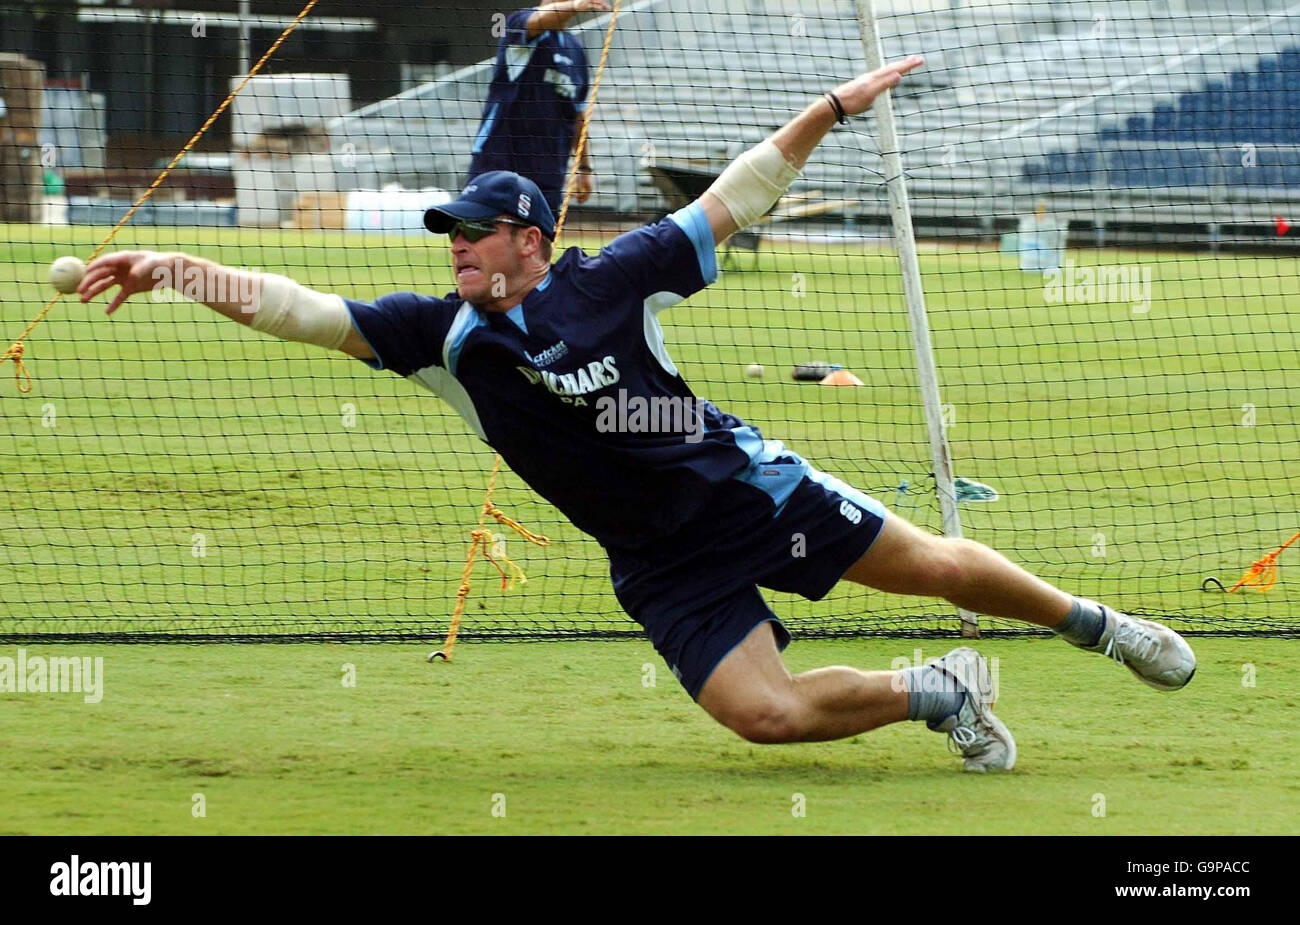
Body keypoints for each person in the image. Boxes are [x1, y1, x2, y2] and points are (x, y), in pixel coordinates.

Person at [78, 57, 1195, 772]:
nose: (455, 243)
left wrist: (831, 109)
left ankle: (1096, 624)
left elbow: (736, 196)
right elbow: (299, 310)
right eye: (447, 231)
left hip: (750, 495)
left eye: (474, 228)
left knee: (942, 569)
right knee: (764, 719)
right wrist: (179, 265)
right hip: (657, 563)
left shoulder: (611, 277)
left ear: (529, 238)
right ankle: (936, 692)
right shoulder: (442, 338)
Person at [467, 1, 609, 214]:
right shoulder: (519, 22)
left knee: (540, 242)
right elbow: (539, 20)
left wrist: (584, 167)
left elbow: (578, 114)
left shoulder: (576, 50)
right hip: (500, 162)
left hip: (549, 172)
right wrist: (576, 5)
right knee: (484, 236)